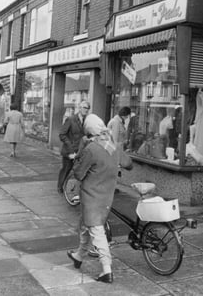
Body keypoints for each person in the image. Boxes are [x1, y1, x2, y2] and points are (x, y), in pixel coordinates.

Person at [66, 114, 130, 284]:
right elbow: (128, 163)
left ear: (88, 131)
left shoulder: (91, 149)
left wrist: (79, 156)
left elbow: (78, 174)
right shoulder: (112, 146)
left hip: (91, 196)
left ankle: (106, 269)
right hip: (106, 195)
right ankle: (79, 256)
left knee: (96, 230)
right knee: (85, 225)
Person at [57, 101, 90, 194]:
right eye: (84, 108)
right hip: (69, 150)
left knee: (81, 170)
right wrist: (70, 147)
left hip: (81, 151)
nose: (86, 110)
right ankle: (60, 186)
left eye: (87, 108)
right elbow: (62, 134)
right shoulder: (71, 119)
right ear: (79, 108)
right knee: (66, 168)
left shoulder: (87, 121)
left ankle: (78, 189)